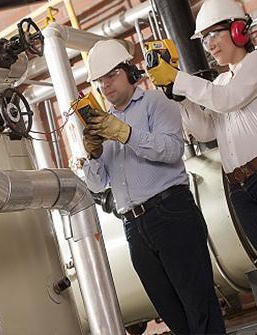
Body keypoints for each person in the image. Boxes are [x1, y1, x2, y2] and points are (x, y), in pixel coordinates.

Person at [147, 0, 257, 332]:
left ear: (238, 30)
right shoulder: (219, 84)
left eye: (214, 35)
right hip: (242, 187)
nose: (210, 45)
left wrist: (181, 78)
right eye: (203, 40)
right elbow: (205, 130)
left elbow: (229, 100)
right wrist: (179, 96)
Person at [82, 39, 226, 335]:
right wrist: (94, 155)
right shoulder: (102, 122)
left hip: (170, 212)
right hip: (133, 226)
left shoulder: (156, 103)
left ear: (129, 72)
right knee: (169, 311)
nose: (105, 86)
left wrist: (126, 134)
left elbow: (171, 150)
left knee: (199, 305)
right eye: (99, 81)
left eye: (111, 76)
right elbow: (97, 184)